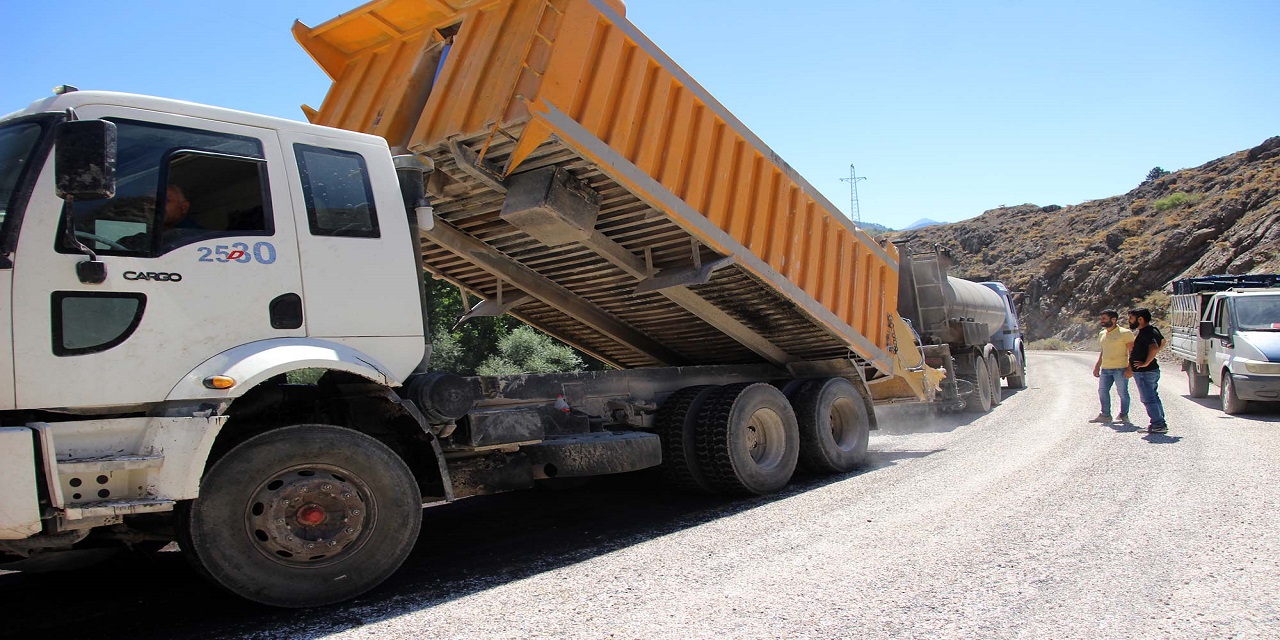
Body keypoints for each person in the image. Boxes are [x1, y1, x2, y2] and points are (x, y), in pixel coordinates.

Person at [1128, 308, 1168, 434]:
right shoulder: (1152, 330)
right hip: (1149, 371)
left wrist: (1146, 362)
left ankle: (1158, 424)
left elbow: (1155, 347)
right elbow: (1163, 342)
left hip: (1145, 372)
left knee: (1148, 398)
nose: (1129, 321)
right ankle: (1159, 423)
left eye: (1131, 318)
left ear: (1140, 319)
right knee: (1153, 396)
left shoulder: (1146, 332)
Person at [1091, 310, 1134, 424]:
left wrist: (1130, 368)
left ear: (1113, 319)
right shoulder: (1102, 334)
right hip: (1105, 369)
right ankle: (1105, 415)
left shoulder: (1125, 333)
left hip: (1120, 369)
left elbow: (1132, 352)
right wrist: (1097, 366)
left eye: (1104, 318)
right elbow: (1103, 351)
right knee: (1102, 391)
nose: (1102, 321)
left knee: (1122, 392)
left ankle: (1124, 415)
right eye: (1101, 319)